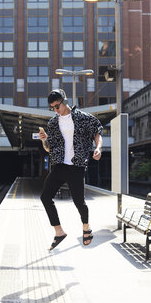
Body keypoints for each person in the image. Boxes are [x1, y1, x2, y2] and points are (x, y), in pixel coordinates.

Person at [39, 89, 103, 250]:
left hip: (76, 166)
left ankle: (86, 228)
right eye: (52, 107)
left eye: (57, 105)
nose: (55, 110)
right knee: (45, 197)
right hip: (59, 165)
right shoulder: (53, 123)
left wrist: (99, 148)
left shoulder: (82, 117)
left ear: (64, 101)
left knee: (79, 202)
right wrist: (44, 140)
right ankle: (59, 232)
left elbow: (97, 131)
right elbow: (48, 148)